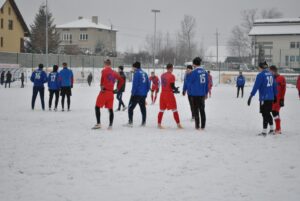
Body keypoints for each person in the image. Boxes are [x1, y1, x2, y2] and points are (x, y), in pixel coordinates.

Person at [247, 61, 278, 136]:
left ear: (261, 67)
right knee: (268, 113)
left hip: (264, 98)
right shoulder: (271, 74)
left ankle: (264, 131)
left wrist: (251, 96)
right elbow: (274, 86)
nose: (258, 69)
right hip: (270, 97)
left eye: (259, 68)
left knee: (265, 114)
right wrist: (275, 95)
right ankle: (271, 129)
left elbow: (256, 86)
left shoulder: (260, 75)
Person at [92, 59, 124, 129]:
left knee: (97, 107)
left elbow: (102, 80)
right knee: (110, 109)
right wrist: (118, 89)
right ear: (110, 64)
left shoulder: (104, 71)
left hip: (104, 92)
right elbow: (121, 80)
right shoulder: (114, 72)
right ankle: (110, 125)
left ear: (105, 64)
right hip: (111, 93)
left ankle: (98, 123)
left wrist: (101, 87)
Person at [125, 61, 150, 127]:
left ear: (135, 67)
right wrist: (145, 93)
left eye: (133, 67)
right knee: (143, 108)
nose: (132, 68)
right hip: (143, 94)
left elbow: (135, 85)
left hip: (136, 94)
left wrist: (133, 94)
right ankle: (143, 122)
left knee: (130, 108)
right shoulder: (145, 73)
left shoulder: (136, 73)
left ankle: (130, 122)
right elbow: (148, 84)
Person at [158, 64, 182, 129]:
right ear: (171, 68)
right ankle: (178, 124)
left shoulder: (162, 75)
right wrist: (176, 89)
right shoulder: (172, 76)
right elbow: (172, 86)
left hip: (162, 93)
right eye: (172, 68)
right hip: (169, 94)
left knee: (161, 109)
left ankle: (159, 124)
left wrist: (174, 89)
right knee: (174, 109)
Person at [189, 57, 209, 130]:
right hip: (202, 94)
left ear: (194, 64)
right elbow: (207, 84)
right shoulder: (205, 72)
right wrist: (206, 93)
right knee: (202, 110)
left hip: (195, 94)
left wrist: (188, 75)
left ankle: (197, 125)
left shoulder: (193, 73)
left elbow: (190, 83)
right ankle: (203, 126)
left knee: (196, 110)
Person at [269, 65, 286, 134]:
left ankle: (278, 129)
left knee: (275, 112)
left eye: (270, 71)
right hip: (272, 99)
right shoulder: (271, 78)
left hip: (278, 99)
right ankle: (278, 128)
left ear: (274, 71)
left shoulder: (281, 78)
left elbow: (283, 89)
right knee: (275, 113)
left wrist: (282, 99)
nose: (270, 72)